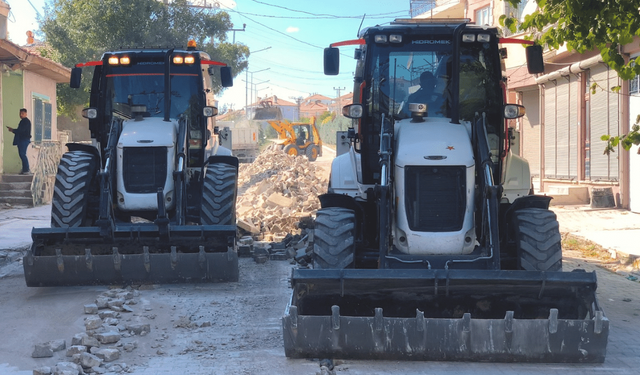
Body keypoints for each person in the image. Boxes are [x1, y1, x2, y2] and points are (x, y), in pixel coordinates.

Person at [6, 108, 32, 174]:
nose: (21, 115)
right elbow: (19, 131)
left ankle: (27, 169)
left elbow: (21, 131)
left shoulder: (26, 121)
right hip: (21, 140)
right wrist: (13, 130)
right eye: (20, 113)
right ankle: (24, 169)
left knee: (22, 154)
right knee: (21, 154)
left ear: (26, 114)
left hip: (24, 139)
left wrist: (13, 130)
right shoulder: (22, 121)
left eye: (22, 113)